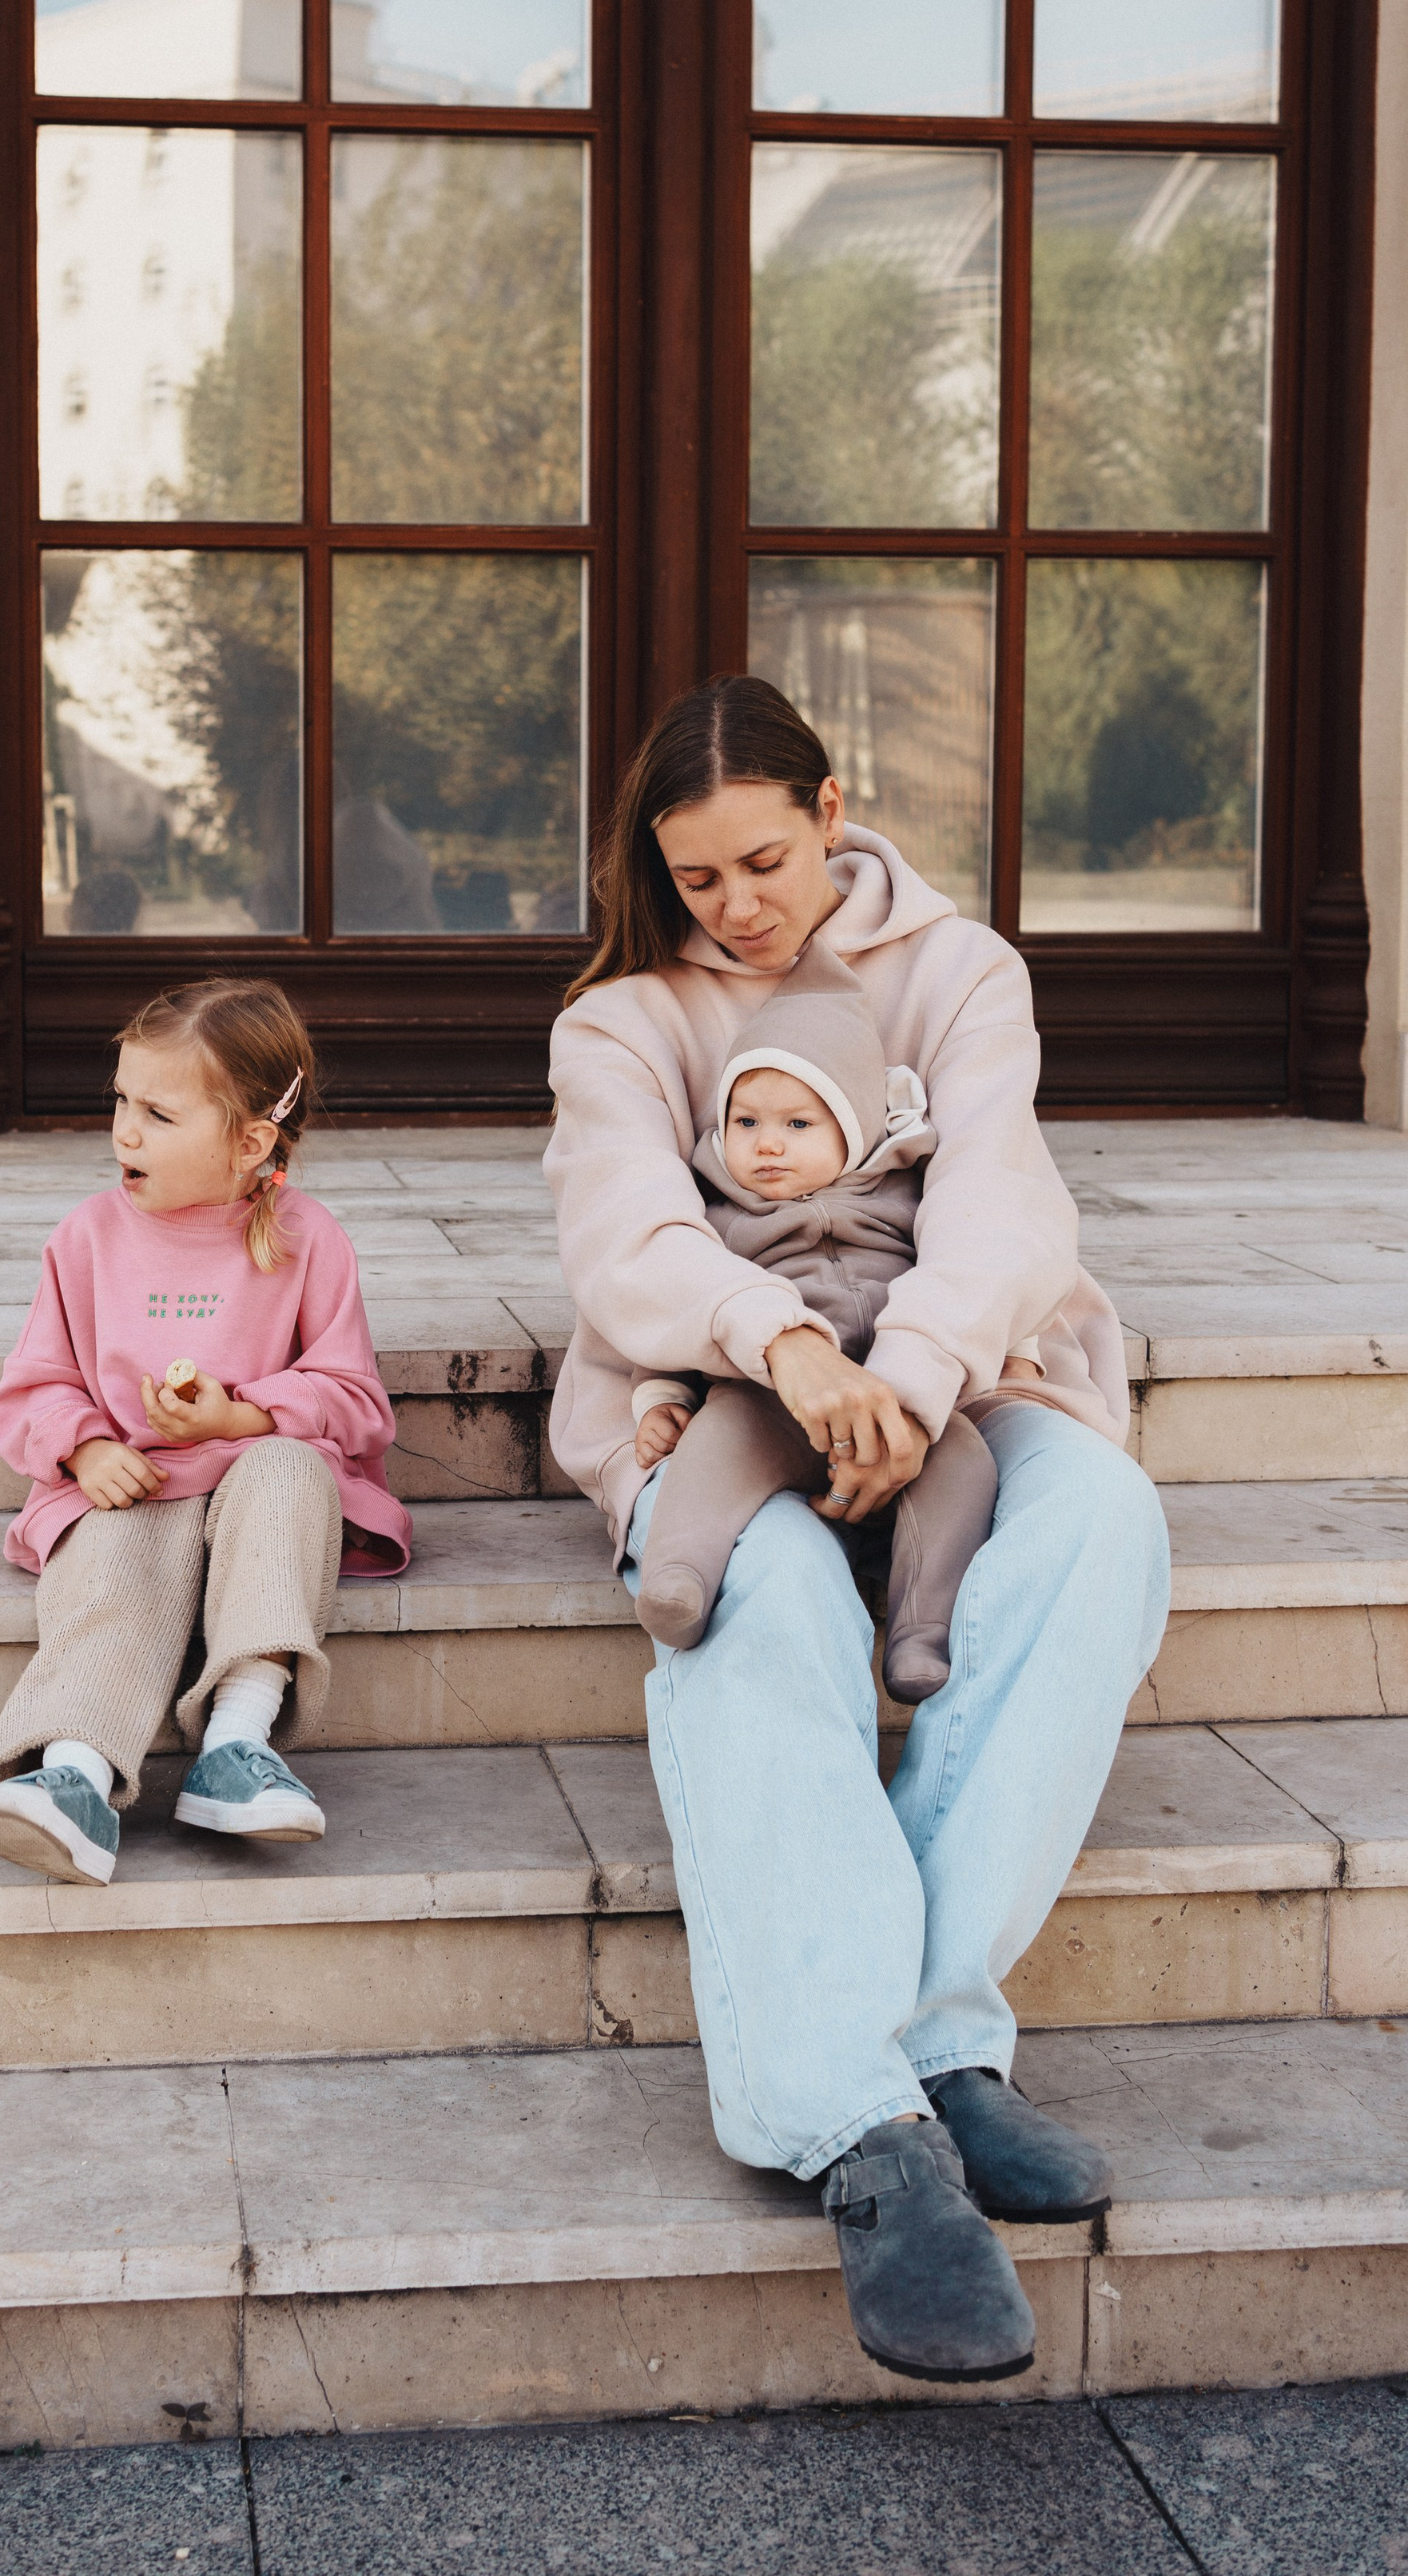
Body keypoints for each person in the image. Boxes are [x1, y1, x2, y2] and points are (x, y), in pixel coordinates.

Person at [545, 675, 1168, 2387]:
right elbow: (624, 1243)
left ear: (831, 812)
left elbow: (998, 1191)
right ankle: (860, 2131)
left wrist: (906, 1374)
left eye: (760, 860)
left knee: (1098, 1523)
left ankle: (940, 2042)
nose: (733, 908)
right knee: (766, 1612)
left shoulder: (959, 971)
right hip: (723, 1406)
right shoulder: (619, 1023)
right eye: (695, 882)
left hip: (960, 1381)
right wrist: (795, 1353)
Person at [0, 977, 410, 1889]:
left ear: (250, 1141)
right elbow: (32, 1387)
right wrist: (85, 1446)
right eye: (120, 1100)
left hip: (257, 1484)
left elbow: (355, 1400)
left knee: (285, 1470)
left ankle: (237, 1745)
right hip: (138, 1481)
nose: (124, 1130)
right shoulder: (85, 1238)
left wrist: (241, 1416)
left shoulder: (308, 1241)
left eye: (157, 1113)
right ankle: (72, 1773)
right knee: (117, 1543)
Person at [626, 940, 1020, 1698]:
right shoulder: (716, 1216)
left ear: (857, 1127)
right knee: (713, 1452)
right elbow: (674, 1301)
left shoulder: (906, 1198)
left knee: (964, 1467)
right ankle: (679, 1574)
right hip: (765, 1403)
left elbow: (983, 1271)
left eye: (799, 1124)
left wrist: (1021, 1348)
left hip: (900, 1407)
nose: (767, 1143)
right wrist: (662, 1400)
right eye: (746, 1121)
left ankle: (921, 1629)